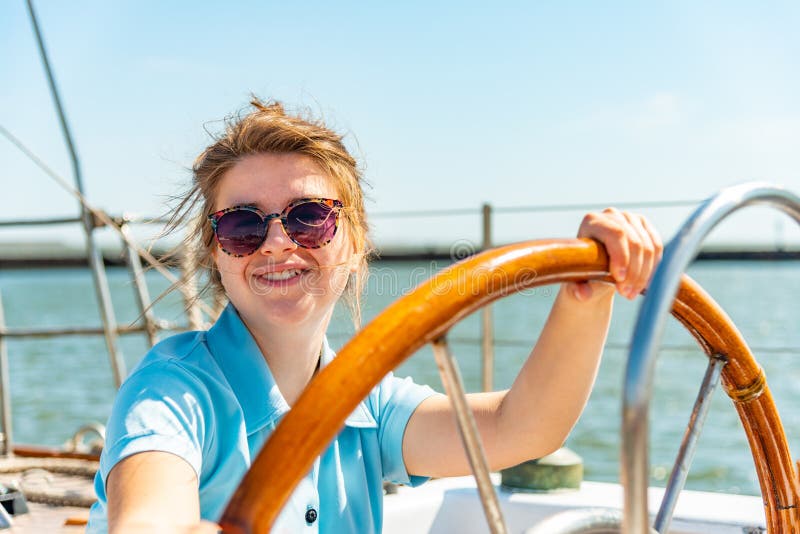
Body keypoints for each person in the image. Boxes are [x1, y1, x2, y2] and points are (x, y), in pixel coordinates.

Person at [86, 99, 662, 533]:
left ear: (356, 243)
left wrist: (587, 295)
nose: (277, 243)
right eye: (242, 225)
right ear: (216, 252)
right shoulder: (171, 392)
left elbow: (521, 427)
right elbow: (148, 520)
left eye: (309, 217)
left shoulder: (366, 403)